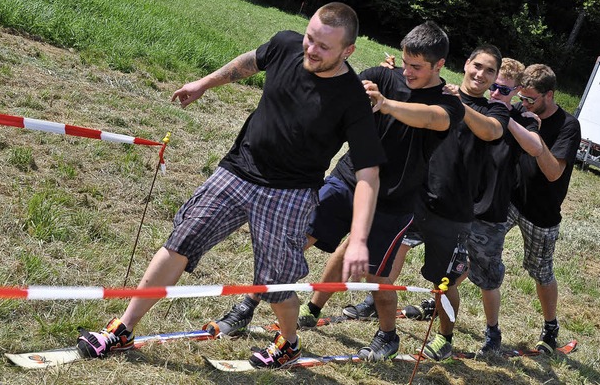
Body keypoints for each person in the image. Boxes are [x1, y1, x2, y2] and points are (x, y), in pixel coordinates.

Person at [75, 2, 386, 369]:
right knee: (181, 241)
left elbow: (368, 174)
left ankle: (288, 342)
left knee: (276, 284)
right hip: (238, 170)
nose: (311, 50)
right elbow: (251, 61)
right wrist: (205, 82)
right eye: (310, 38)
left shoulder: (352, 99)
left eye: (323, 47)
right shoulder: (286, 45)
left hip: (288, 194)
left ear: (348, 51)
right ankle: (123, 329)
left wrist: (360, 240)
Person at [208, 21, 464, 362]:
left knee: (378, 279)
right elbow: (341, 86)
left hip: (392, 203)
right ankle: (247, 305)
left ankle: (387, 335)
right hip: (346, 181)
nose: (407, 71)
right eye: (405, 62)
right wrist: (358, 89)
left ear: (438, 66)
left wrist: (385, 104)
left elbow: (432, 119)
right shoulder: (384, 76)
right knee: (290, 244)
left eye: (416, 67)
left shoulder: (448, 103)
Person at [346, 45, 510, 361]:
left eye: (490, 71)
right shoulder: (438, 92)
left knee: (444, 281)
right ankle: (383, 330)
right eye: (478, 66)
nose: (481, 74)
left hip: (454, 210)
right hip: (414, 198)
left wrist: (457, 102)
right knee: (387, 265)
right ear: (466, 64)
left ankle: (444, 338)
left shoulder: (495, 110)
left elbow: (490, 132)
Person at [464, 58, 545, 354]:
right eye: (493, 86)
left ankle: (492, 332)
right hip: (460, 205)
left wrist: (506, 115)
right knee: (449, 266)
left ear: (516, 92)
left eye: (504, 90)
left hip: (491, 211)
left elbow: (535, 148)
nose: (496, 92)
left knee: (487, 278)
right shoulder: (478, 107)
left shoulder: (520, 118)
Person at [505, 64, 581, 354]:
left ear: (549, 95)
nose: (524, 104)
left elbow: (553, 173)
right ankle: (441, 299)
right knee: (479, 247)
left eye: (531, 99)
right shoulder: (520, 110)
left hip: (542, 212)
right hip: (510, 199)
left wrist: (535, 138)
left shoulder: (568, 126)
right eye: (521, 98)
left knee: (541, 271)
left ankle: (550, 326)